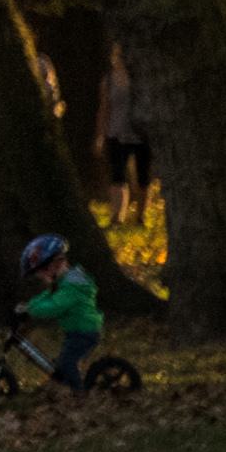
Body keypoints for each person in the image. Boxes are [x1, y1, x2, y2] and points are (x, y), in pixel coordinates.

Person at [18, 234, 102, 392]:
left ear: (56, 264)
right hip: (76, 331)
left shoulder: (72, 287)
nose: (42, 278)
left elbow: (55, 306)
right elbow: (47, 296)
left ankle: (79, 393)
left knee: (67, 364)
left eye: (42, 273)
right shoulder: (64, 283)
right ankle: (69, 386)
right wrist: (30, 305)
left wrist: (32, 309)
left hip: (85, 332)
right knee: (62, 363)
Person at [96, 44, 152, 228]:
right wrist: (101, 135)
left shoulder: (142, 78)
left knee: (143, 177)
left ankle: (140, 217)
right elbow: (104, 108)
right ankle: (117, 217)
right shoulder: (109, 80)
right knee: (118, 175)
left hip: (141, 134)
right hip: (117, 133)